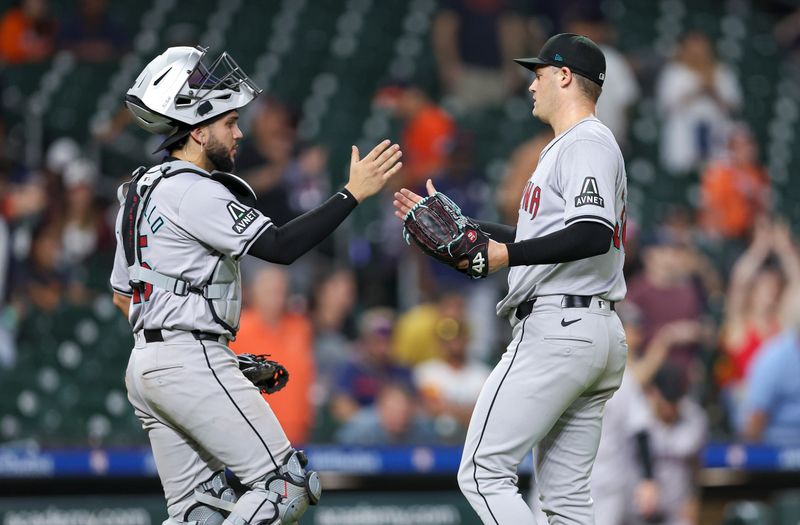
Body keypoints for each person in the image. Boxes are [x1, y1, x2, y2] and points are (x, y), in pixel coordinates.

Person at [110, 46, 402, 525]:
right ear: (198, 130)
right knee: (287, 483)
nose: (239, 131)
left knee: (197, 512)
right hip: (186, 359)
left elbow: (125, 297)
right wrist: (353, 193)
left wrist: (197, 350)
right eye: (229, 122)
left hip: (146, 366)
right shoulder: (194, 187)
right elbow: (281, 247)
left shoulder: (138, 191)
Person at [394, 33, 628, 524]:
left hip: (559, 329)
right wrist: (466, 225)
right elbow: (541, 234)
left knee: (481, 472)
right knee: (564, 501)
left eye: (539, 74)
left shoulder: (586, 141)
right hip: (589, 328)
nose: (530, 85)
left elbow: (592, 233)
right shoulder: (569, 147)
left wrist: (507, 254)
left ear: (565, 77)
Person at [230, 265, 315, 445]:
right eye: (269, 291)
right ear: (252, 292)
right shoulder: (237, 329)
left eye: (281, 291)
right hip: (254, 434)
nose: (276, 298)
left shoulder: (300, 327)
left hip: (299, 433)